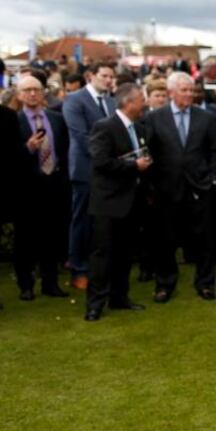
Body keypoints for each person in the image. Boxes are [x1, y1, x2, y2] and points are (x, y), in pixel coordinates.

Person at [145, 72, 216, 303]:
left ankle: (205, 283)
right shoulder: (154, 118)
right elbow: (150, 153)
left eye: (191, 90)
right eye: (184, 90)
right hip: (166, 189)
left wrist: (210, 179)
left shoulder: (206, 118)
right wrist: (152, 186)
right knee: (165, 239)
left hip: (199, 188)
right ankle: (165, 284)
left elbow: (214, 152)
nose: (189, 94)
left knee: (204, 239)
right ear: (170, 93)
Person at [84, 83, 152, 321]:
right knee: (103, 255)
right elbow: (100, 162)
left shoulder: (140, 128)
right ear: (128, 103)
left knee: (124, 254)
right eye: (142, 99)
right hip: (109, 203)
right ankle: (95, 304)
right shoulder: (104, 127)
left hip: (132, 202)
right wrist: (134, 165)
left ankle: (119, 298)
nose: (145, 103)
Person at [14, 75, 71, 301]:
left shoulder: (57, 119)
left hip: (54, 184)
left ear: (43, 93)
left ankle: (51, 282)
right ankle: (26, 285)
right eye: (27, 90)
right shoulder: (13, 121)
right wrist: (27, 148)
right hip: (27, 188)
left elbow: (65, 150)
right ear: (19, 95)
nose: (32, 94)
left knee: (53, 236)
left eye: (36, 89)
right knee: (25, 239)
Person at [63, 62, 116, 290]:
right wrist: (110, 158)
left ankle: (99, 268)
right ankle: (78, 268)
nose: (108, 80)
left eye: (111, 77)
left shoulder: (112, 101)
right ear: (90, 76)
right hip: (86, 170)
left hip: (108, 171)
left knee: (102, 223)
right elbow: (80, 136)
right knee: (82, 221)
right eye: (104, 76)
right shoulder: (74, 100)